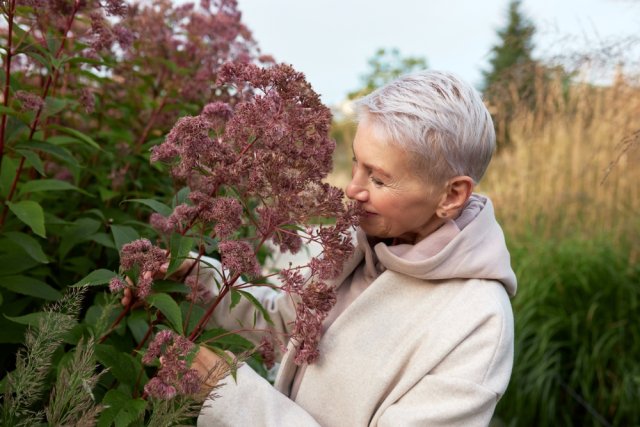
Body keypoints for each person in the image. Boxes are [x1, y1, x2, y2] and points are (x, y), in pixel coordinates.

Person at [193, 70, 517, 426]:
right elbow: (281, 321)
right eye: (356, 164)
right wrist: (194, 276)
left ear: (451, 195)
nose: (353, 189)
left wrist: (230, 396)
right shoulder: (358, 245)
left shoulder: (477, 321)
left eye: (378, 178)